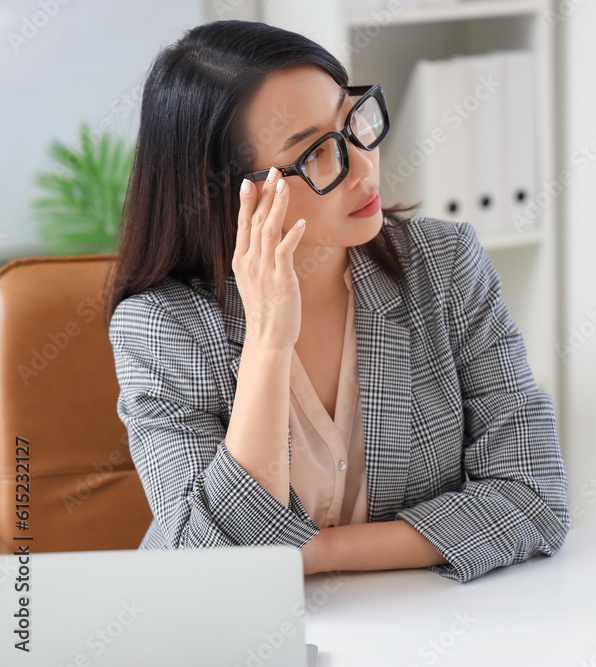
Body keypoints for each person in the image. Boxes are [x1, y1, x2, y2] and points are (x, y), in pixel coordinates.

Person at [104, 20, 569, 584]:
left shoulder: (443, 266)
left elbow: (533, 493)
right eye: (316, 152)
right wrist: (269, 342)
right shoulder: (160, 328)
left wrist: (322, 553)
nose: (361, 165)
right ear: (228, 189)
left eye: (352, 123)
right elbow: (206, 564)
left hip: (428, 623)